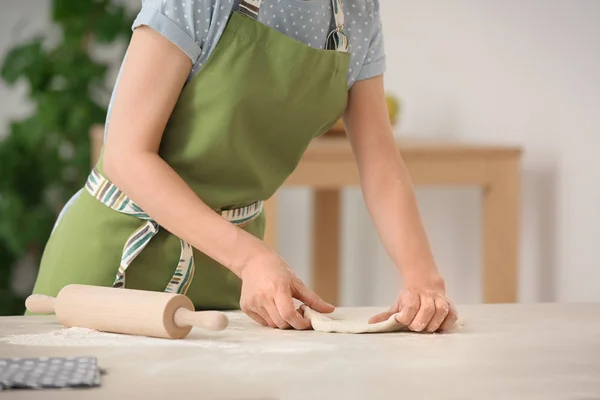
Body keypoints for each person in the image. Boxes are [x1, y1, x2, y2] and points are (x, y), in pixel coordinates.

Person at [30, 0, 458, 332]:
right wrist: (250, 260)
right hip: (112, 265)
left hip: (225, 277)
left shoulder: (357, 12)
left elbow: (380, 162)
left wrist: (422, 277)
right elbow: (126, 154)